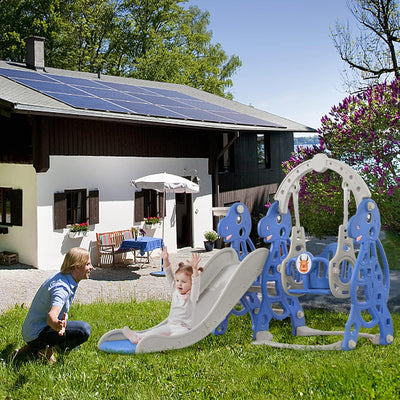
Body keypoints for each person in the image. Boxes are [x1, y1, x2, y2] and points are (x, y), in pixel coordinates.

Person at [14, 247, 94, 364]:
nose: (91, 267)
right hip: (37, 333)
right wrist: (57, 325)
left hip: (31, 331)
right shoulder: (62, 288)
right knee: (83, 330)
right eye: (88, 264)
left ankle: (33, 348)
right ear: (77, 266)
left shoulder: (62, 275)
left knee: (76, 344)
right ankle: (45, 349)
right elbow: (51, 316)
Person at [123, 247, 202, 343]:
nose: (179, 284)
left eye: (184, 282)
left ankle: (162, 343)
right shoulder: (175, 290)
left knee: (174, 338)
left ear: (191, 284)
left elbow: (196, 283)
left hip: (183, 328)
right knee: (154, 331)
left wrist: (194, 269)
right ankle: (138, 337)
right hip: (170, 325)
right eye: (177, 281)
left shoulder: (192, 296)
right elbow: (168, 273)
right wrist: (166, 260)